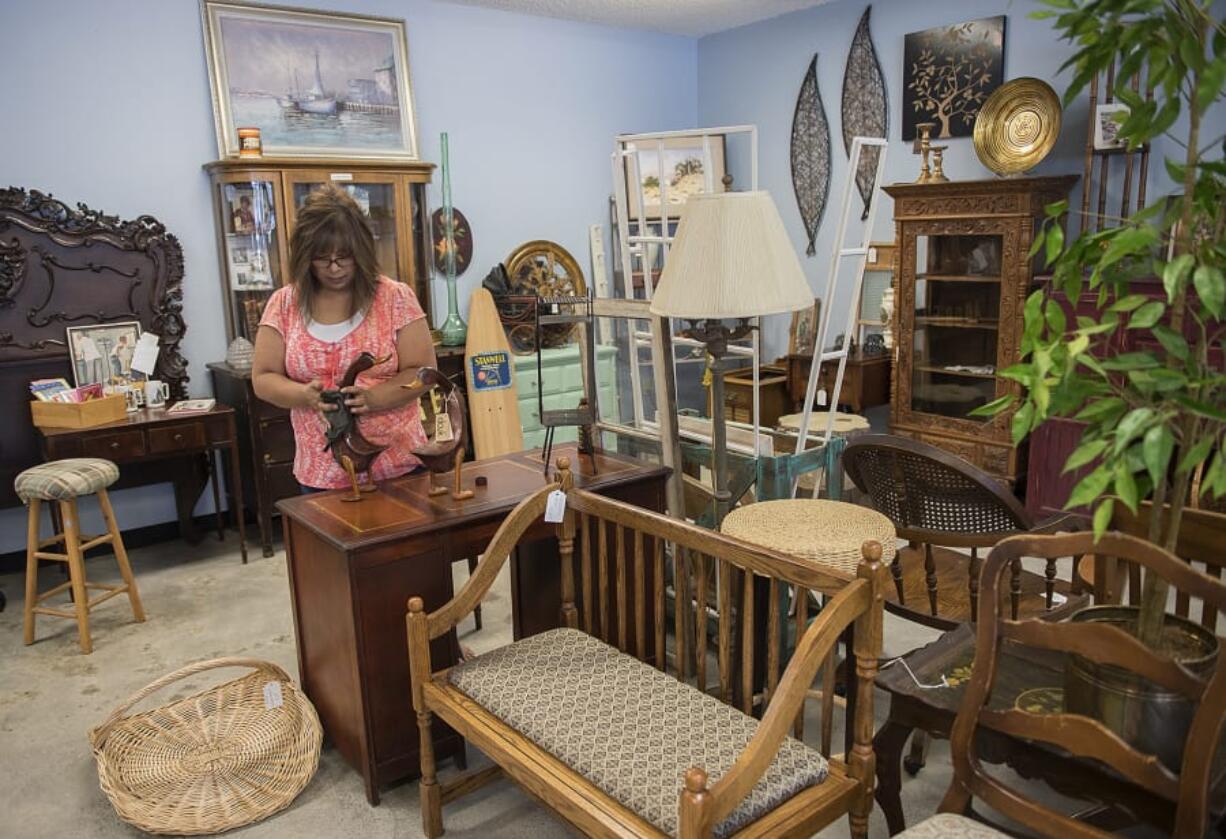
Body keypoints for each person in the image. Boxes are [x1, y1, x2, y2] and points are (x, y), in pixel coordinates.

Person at [252, 184, 437, 491]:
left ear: (362, 252)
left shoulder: (395, 298)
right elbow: (263, 377)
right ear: (304, 256)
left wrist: (375, 398)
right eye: (322, 259)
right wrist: (303, 395)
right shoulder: (284, 304)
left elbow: (423, 373)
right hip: (320, 475)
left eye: (345, 257)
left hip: (398, 468)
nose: (335, 268)